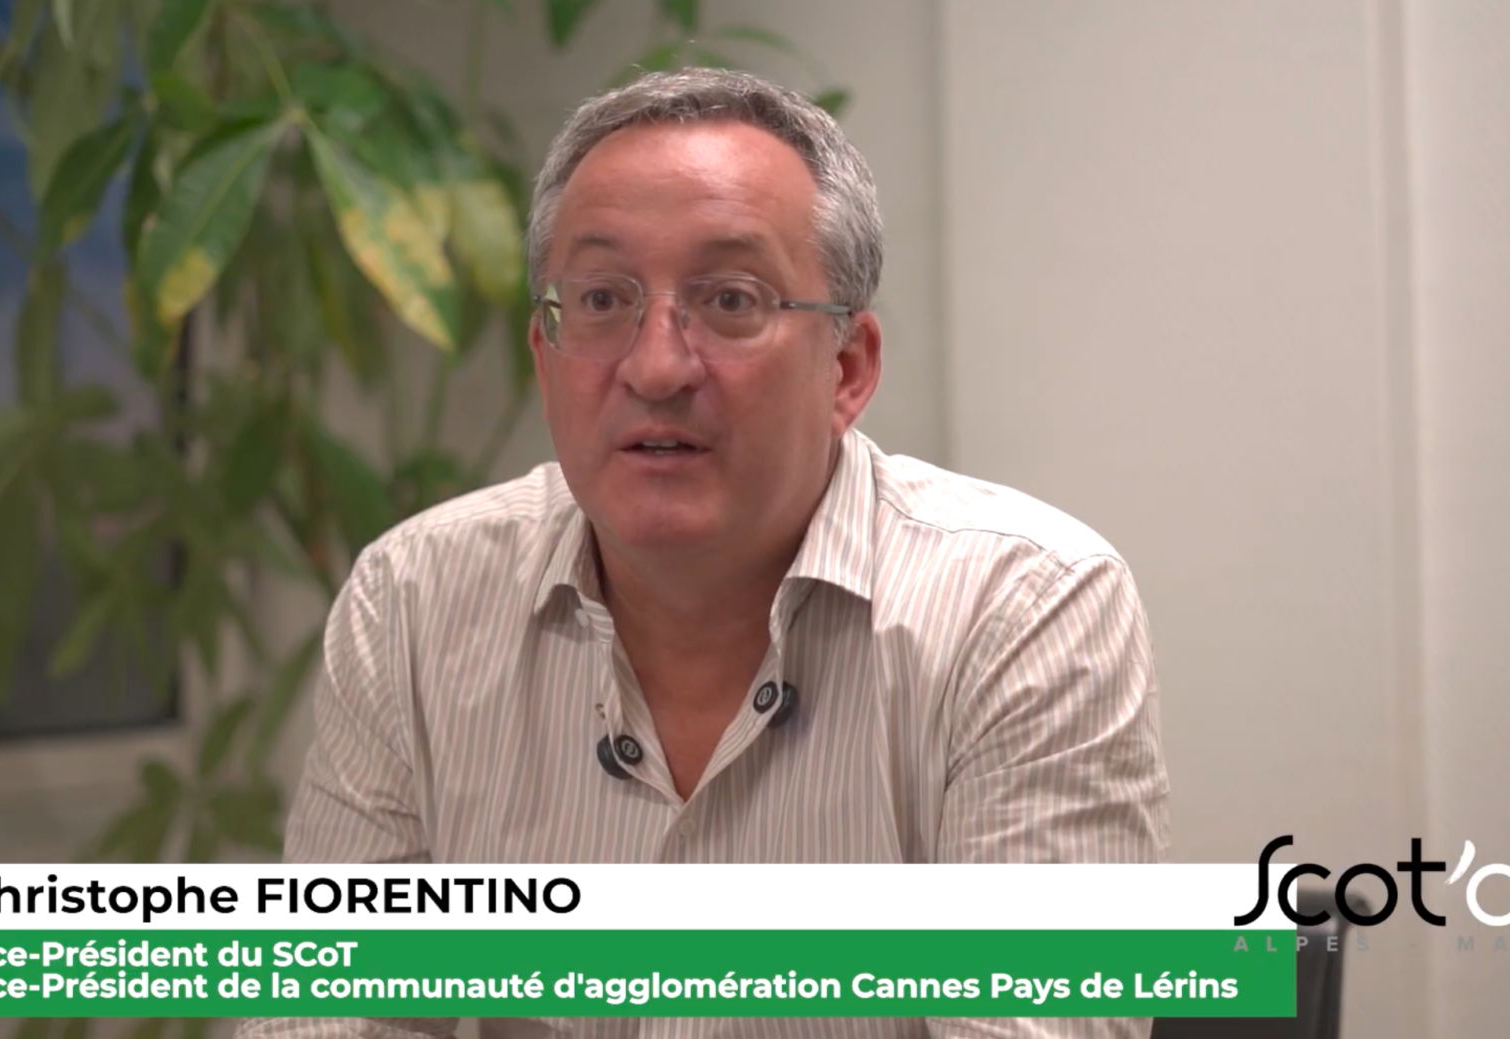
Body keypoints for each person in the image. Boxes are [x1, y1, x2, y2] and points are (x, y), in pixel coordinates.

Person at [239, 67, 1169, 1039]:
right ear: (544, 358)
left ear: (848, 369)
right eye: (602, 299)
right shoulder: (413, 601)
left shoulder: (1025, 612)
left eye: (730, 299)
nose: (655, 366)